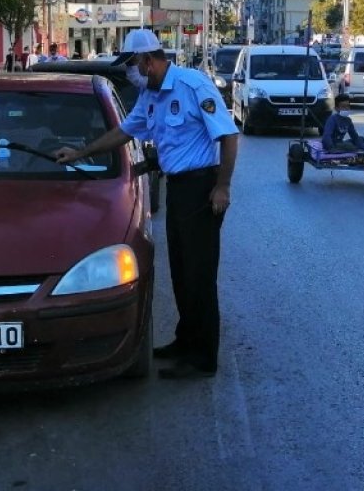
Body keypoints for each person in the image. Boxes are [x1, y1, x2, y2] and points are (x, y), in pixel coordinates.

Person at [55, 29, 238, 380]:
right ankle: (186, 341)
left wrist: (223, 186)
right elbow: (124, 131)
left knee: (199, 275)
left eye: (133, 65)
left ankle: (203, 358)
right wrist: (81, 152)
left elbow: (228, 136)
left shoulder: (192, 85)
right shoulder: (149, 95)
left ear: (149, 61)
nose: (130, 73)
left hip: (201, 188)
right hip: (179, 190)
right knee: (181, 272)